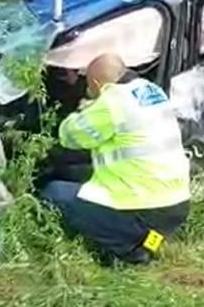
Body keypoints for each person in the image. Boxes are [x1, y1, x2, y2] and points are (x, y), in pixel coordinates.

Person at [40, 53, 191, 265]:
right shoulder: (151, 90)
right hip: (175, 204)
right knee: (78, 174)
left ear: (95, 83)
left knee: (53, 193)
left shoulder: (112, 101)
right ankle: (142, 237)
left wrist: (84, 107)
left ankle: (129, 250)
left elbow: (70, 137)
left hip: (141, 209)